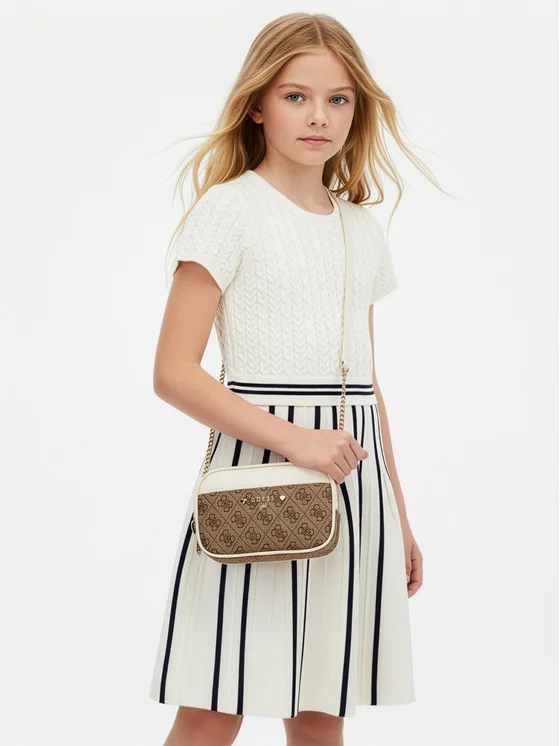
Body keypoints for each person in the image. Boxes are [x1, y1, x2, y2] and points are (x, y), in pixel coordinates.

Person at [149, 12, 437, 746]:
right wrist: (296, 441)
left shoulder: (360, 229)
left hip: (352, 483)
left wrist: (398, 513)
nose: (319, 117)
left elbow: (366, 386)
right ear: (257, 104)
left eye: (338, 99)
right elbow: (173, 372)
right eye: (295, 96)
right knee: (215, 704)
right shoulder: (229, 211)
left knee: (319, 710)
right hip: (258, 478)